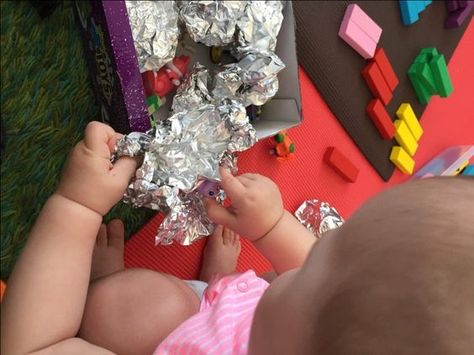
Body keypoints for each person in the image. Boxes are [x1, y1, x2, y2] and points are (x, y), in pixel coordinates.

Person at [1, 122, 473, 355]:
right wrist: (270, 226)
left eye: (323, 255)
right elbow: (328, 288)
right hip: (223, 322)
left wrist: (76, 208)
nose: (310, 246)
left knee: (125, 307)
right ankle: (215, 288)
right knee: (164, 303)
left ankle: (92, 302)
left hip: (174, 340)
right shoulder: (312, 329)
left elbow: (35, 347)